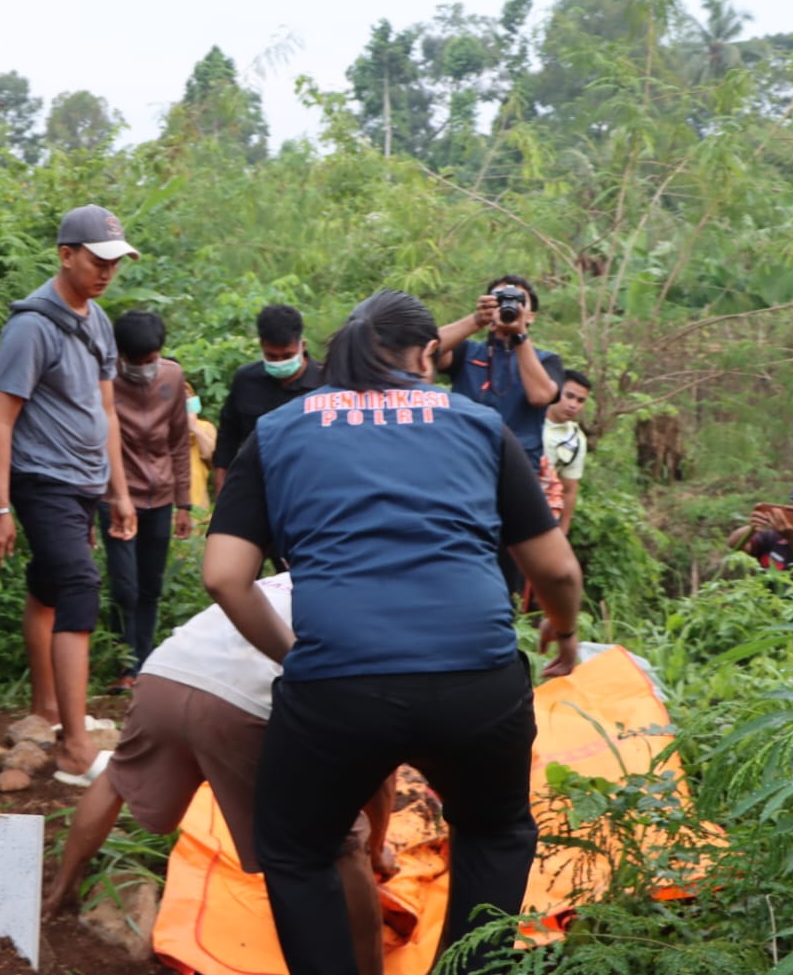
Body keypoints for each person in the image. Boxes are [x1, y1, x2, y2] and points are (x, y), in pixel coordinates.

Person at [203, 290, 583, 975]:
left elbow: (224, 578)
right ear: (422, 354)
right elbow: (554, 568)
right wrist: (565, 635)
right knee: (495, 833)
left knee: (296, 850)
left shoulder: (282, 429)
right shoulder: (473, 423)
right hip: (477, 679)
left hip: (338, 685)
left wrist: (299, 659)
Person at [43, 573, 393, 975]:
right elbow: (379, 770)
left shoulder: (285, 577)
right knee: (344, 841)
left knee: (116, 777)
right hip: (244, 706)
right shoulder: (373, 601)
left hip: (164, 676)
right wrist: (378, 850)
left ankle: (57, 896)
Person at [0, 204, 138, 787]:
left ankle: (50, 712)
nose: (105, 272)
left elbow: (105, 410)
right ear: (66, 255)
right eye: (96, 261)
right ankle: (74, 748)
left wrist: (117, 492)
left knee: (49, 587)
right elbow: (1, 419)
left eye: (114, 263)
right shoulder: (31, 326)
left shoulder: (97, 320)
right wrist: (0, 508)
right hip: (41, 478)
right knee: (78, 585)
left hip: (83, 480)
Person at [98, 310, 192, 692]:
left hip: (162, 496)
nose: (145, 369)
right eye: (135, 362)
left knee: (150, 584)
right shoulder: (103, 381)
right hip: (116, 497)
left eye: (151, 360)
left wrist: (184, 503)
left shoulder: (172, 377)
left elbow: (179, 442)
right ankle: (124, 659)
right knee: (125, 586)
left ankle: (143, 661)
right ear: (120, 355)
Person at [436, 275, 564, 467]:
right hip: (466, 457)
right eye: (500, 299)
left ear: (531, 316)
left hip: (518, 464)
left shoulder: (546, 360)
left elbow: (540, 396)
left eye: (519, 300)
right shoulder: (467, 352)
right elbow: (425, 351)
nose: (509, 304)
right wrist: (476, 320)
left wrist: (519, 336)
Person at [211, 303, 324, 497]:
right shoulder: (246, 380)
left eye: (287, 356)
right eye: (272, 356)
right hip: (256, 485)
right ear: (262, 345)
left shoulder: (327, 384)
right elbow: (228, 433)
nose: (279, 363)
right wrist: (221, 477)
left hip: (309, 487)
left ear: (301, 345)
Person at [543, 369, 591, 534]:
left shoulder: (575, 439)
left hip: (539, 514)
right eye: (569, 396)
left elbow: (569, 489)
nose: (573, 405)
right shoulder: (527, 418)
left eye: (580, 400)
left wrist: (562, 531)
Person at [185, 380, 217, 509]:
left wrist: (194, 428)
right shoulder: (163, 428)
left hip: (199, 505)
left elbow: (209, 455)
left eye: (187, 398)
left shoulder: (205, 427)